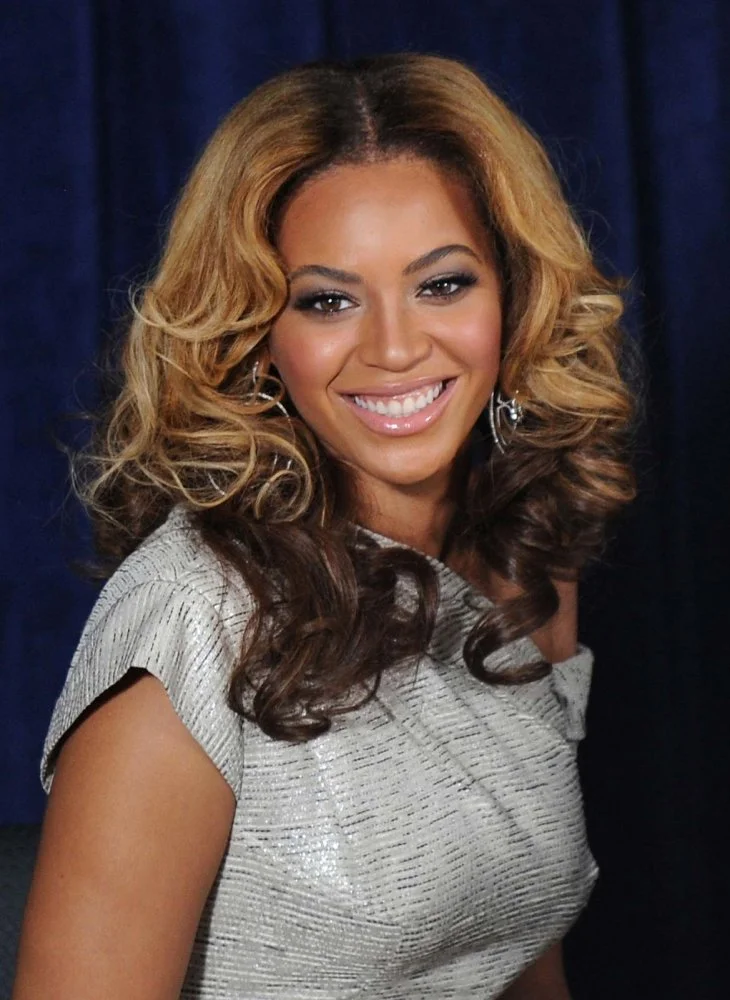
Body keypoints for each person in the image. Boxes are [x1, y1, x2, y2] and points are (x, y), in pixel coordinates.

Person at [12, 53, 635, 999]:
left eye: (442, 284)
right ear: (260, 337)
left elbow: (515, 946)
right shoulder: (189, 624)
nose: (395, 346)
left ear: (515, 298)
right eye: (328, 300)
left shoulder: (523, 560)